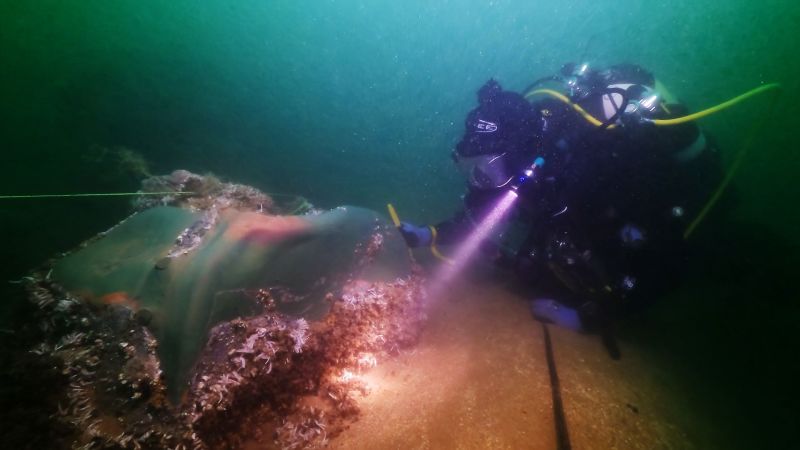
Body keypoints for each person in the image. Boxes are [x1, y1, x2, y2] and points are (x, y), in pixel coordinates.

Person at [399, 63, 724, 356]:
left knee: (543, 264)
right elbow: (479, 213)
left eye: (486, 168)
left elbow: (667, 262)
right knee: (529, 265)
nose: (479, 179)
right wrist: (430, 233)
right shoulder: (514, 167)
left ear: (517, 157)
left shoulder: (595, 169)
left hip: (664, 217)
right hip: (579, 212)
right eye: (470, 168)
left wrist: (585, 317)